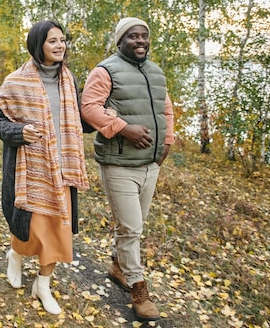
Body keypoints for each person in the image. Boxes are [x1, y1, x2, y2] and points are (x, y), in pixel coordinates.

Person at [0, 20, 89, 315]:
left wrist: (106, 118)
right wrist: (19, 132)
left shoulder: (69, 80)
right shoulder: (16, 82)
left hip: (63, 169)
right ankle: (16, 255)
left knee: (58, 234)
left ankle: (43, 285)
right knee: (30, 229)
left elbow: (76, 122)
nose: (60, 45)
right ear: (38, 45)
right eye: (52, 41)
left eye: (62, 40)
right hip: (30, 169)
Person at [81, 17, 175, 322]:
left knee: (131, 226)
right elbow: (89, 107)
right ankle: (138, 290)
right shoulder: (105, 70)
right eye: (133, 36)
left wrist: (167, 142)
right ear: (120, 41)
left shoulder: (156, 72)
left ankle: (118, 266)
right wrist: (124, 129)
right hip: (118, 163)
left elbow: (165, 108)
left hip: (151, 164)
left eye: (144, 36)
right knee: (132, 228)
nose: (140, 41)